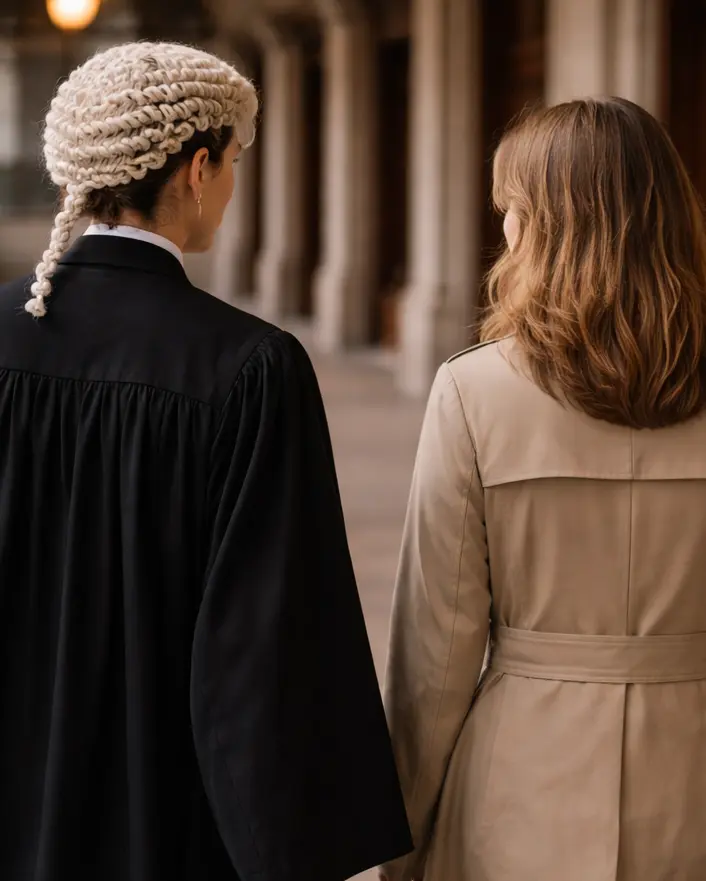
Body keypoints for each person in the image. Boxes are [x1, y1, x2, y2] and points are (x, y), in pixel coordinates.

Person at [0, 42, 411, 881]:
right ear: (196, 167)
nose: (229, 187)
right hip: (160, 818)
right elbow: (266, 647)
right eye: (232, 163)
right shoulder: (249, 367)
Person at [380, 97, 706, 881]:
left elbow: (435, 657)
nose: (505, 231)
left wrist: (401, 843)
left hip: (520, 789)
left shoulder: (473, 391)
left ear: (545, 226)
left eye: (512, 210)